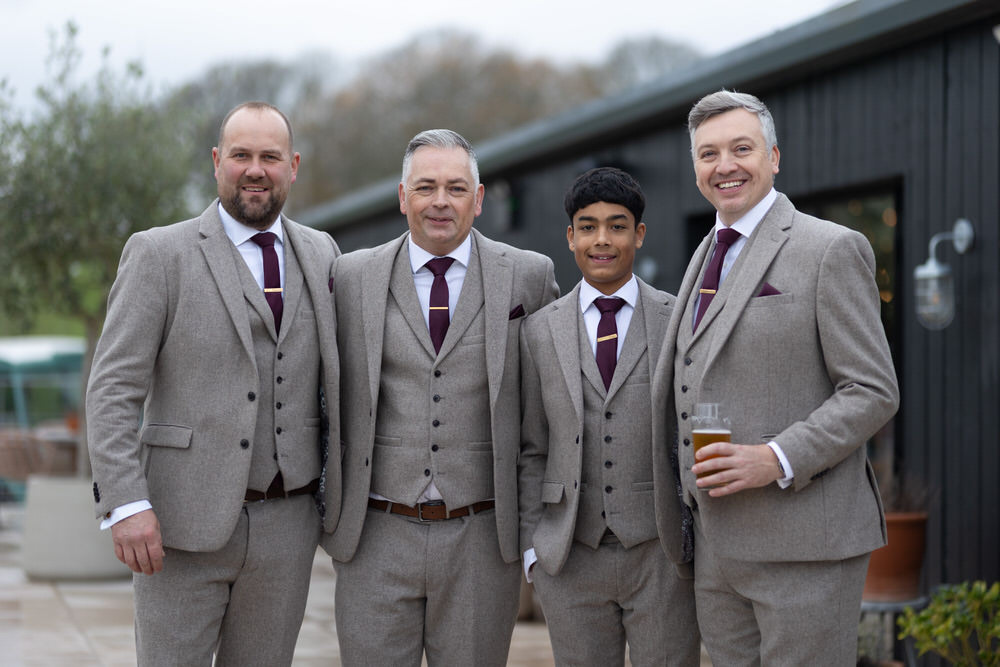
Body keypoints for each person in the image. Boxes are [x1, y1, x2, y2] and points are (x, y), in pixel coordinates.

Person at [86, 102, 340, 666]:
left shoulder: (322, 252)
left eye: (270, 156)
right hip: (178, 524)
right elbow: (112, 389)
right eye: (241, 155)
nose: (255, 170)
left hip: (287, 528)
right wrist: (125, 503)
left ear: (293, 165)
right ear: (217, 161)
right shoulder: (159, 253)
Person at [651, 89, 900, 666]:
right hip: (715, 552)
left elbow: (872, 390)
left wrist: (776, 457)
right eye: (709, 154)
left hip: (805, 548)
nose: (725, 165)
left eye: (742, 148)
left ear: (774, 157)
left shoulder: (830, 248)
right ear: (695, 168)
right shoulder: (704, 254)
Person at [323, 128, 558, 666]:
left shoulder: (529, 276)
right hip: (374, 538)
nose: (440, 201)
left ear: (479, 198)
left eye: (456, 188)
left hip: (482, 541)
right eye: (425, 187)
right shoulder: (350, 277)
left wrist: (538, 529)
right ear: (402, 196)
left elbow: (549, 413)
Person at [518, 167, 700, 666]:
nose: (602, 239)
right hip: (570, 554)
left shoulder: (677, 319)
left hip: (661, 553)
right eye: (589, 226)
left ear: (638, 234)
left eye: (617, 226)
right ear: (570, 236)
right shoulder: (538, 331)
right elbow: (531, 448)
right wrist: (534, 548)